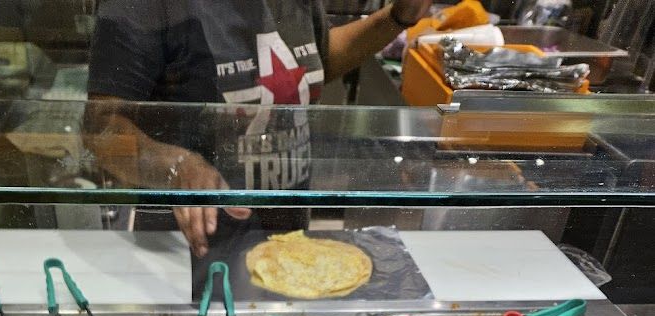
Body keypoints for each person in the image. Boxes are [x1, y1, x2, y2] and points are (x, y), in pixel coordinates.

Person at [87, 0, 432, 257]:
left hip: (286, 240)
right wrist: (177, 167)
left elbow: (309, 63)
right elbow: (100, 127)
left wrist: (396, 18)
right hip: (187, 253)